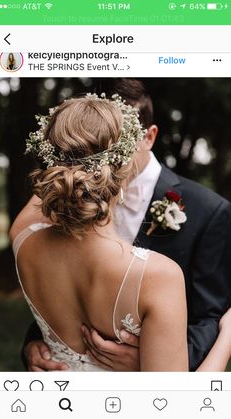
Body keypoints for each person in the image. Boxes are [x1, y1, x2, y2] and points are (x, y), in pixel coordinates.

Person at [19, 80, 231, 372]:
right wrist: (33, 345)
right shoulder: (164, 274)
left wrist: (147, 358)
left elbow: (207, 315)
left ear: (149, 136)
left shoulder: (24, 241)